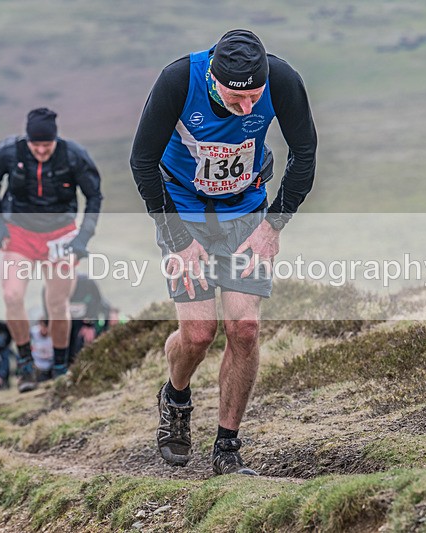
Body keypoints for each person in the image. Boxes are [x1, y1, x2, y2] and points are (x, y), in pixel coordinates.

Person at [130, 29, 317, 475]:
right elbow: (142, 161)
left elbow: (304, 152)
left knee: (245, 328)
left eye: (255, 97)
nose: (248, 108)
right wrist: (178, 239)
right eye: (238, 99)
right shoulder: (179, 80)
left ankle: (227, 447)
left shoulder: (282, 80)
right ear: (214, 81)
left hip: (247, 211)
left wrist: (274, 224)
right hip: (183, 212)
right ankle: (176, 396)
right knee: (198, 334)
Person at [0, 108, 103, 392]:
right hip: (19, 231)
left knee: (57, 304)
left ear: (55, 139)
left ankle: (60, 367)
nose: (41, 151)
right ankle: (26, 366)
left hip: (60, 234)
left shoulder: (74, 155)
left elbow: (94, 195)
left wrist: (83, 237)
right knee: (12, 296)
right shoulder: (9, 153)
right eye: (35, 145)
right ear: (27, 140)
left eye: (46, 145)